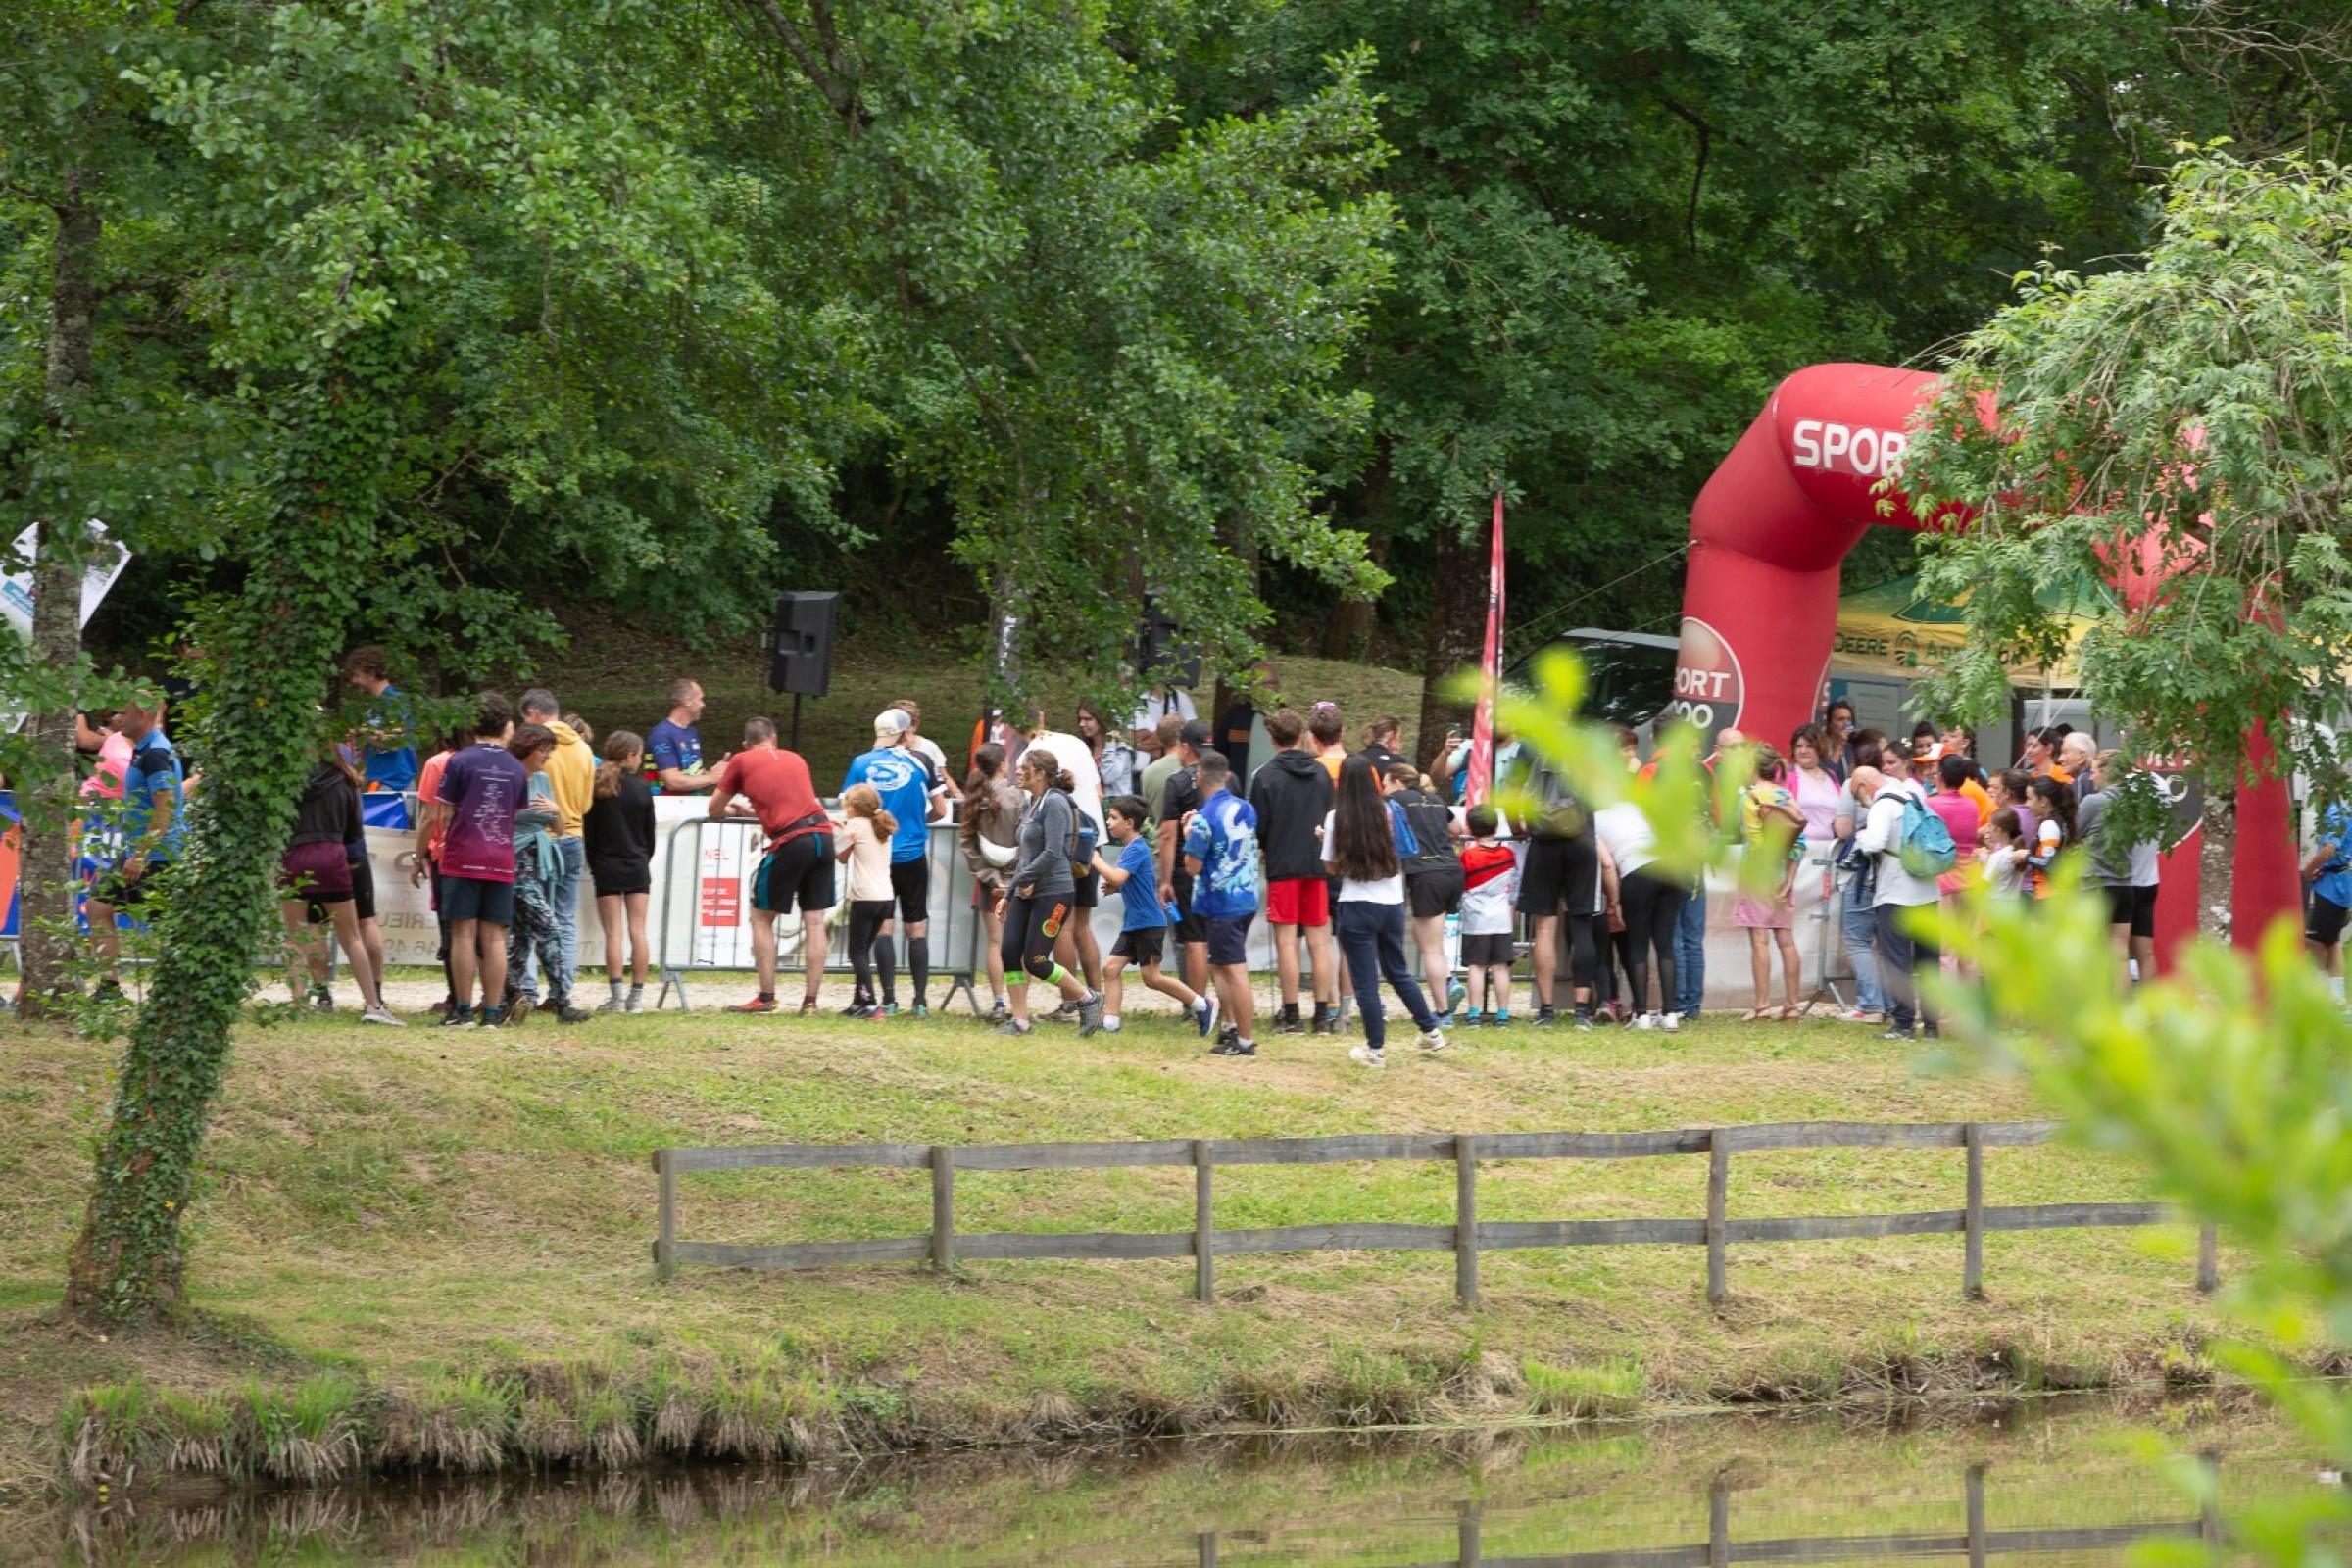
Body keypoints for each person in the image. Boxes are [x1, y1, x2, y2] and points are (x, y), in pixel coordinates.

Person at [1321, 755, 1446, 1068]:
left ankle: (1375, 1050)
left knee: (1366, 983)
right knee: (1398, 972)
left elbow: (1332, 866)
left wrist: (1326, 839)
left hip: (1356, 904)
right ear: (1374, 779)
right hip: (1392, 903)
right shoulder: (1392, 810)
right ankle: (1431, 1030)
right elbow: (1404, 851)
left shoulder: (1337, 818)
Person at [710, 716, 836, 1013]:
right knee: (815, 921)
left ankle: (766, 996)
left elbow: (714, 808)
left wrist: (736, 809)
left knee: (761, 917)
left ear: (745, 744)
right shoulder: (796, 758)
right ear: (774, 738)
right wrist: (756, 809)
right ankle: (811, 1002)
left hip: (791, 841)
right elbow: (788, 799)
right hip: (823, 834)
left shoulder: (741, 760)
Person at [277, 748, 402, 1025]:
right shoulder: (345, 778)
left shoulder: (288, 777)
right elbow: (353, 830)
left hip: (293, 854)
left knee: (297, 936)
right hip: (332, 854)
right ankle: (373, 1004)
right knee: (352, 936)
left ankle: (299, 1005)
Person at [842, 709, 948, 1016]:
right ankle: (921, 1002)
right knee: (916, 928)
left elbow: (849, 807)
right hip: (913, 853)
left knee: (883, 929)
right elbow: (940, 810)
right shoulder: (923, 761)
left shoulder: (861, 762)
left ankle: (888, 1000)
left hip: (877, 858)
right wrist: (916, 822)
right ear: (905, 732)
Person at [995, 749, 1106, 1037]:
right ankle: (1020, 1022)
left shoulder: (1055, 803)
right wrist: (1012, 892)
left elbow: (1053, 852)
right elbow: (1028, 853)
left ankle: (1086, 998)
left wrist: (1021, 879)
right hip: (1026, 889)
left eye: (1024, 768)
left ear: (1041, 774)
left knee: (1036, 960)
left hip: (1055, 891)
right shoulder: (1031, 802)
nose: (1018, 772)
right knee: (1009, 952)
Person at [83, 692, 184, 997]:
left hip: (156, 855)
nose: (117, 719)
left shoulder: (154, 753)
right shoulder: (146, 750)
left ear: (142, 715)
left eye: (124, 713)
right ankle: (111, 986)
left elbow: (164, 807)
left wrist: (140, 856)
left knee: (166, 925)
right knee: (99, 906)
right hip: (148, 851)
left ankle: (174, 990)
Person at [434, 693, 526, 1029]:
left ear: (473, 724)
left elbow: (444, 812)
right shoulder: (516, 767)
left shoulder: (458, 761)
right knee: (496, 937)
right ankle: (491, 1013)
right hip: (501, 857)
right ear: (505, 725)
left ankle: (461, 1011)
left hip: (463, 854)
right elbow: (516, 815)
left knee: (462, 934)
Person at [1094, 794, 1215, 1035]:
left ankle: (1203, 1005)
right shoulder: (1132, 848)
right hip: (1135, 923)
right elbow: (1131, 880)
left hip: (1148, 923)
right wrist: (1116, 887)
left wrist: (1094, 858)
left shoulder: (1136, 848)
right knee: (1111, 968)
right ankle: (1111, 1022)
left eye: (1114, 818)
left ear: (1129, 823)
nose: (1109, 822)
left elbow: (1118, 875)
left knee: (1152, 977)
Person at [1248, 708, 1337, 1035]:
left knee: (1287, 943)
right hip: (1317, 863)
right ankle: (1323, 1016)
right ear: (1301, 736)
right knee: (1319, 942)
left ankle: (1291, 1015)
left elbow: (1261, 825)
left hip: (1283, 864)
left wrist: (1268, 847)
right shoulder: (1322, 773)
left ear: (1272, 739)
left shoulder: (1265, 776)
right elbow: (1329, 815)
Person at [1852, 753, 1942, 1041]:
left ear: (1866, 785)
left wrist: (1860, 838)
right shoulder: (1914, 797)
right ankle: (1931, 1026)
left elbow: (1876, 842)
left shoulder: (1882, 805)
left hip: (1897, 893)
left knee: (1897, 961)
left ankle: (1903, 1024)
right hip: (1928, 890)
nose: (1860, 801)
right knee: (1929, 963)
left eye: (1858, 795)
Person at [502, 723, 587, 1024]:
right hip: (512, 863)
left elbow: (559, 827)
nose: (547, 756)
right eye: (543, 750)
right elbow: (500, 818)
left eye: (550, 750)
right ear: (527, 748)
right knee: (548, 926)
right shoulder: (508, 778)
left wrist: (555, 810)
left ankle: (507, 999)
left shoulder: (542, 779)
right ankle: (560, 1000)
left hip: (537, 864)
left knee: (522, 939)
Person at [1593, 758, 1685, 1032]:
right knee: (1665, 943)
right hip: (1669, 869)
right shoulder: (1638, 807)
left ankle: (1641, 1014)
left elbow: (1608, 865)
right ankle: (1669, 1013)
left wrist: (1616, 902)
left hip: (1636, 873)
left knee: (1638, 945)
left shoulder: (1596, 819)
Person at [515, 689, 592, 1012]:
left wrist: (552, 812)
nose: (546, 754)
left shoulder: (538, 758)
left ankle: (535, 991)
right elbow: (586, 803)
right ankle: (551, 991)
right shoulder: (585, 750)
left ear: (533, 714)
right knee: (560, 919)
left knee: (535, 922)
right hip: (566, 840)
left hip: (543, 845)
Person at [1517, 741, 1599, 1029]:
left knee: (1544, 927)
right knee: (1581, 922)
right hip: (1581, 841)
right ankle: (1580, 1012)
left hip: (1545, 844)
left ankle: (1547, 1011)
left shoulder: (1529, 749)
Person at [1186, 752, 1262, 1057]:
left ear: (1199, 778)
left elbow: (1192, 866)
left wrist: (1187, 833)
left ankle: (1244, 1040)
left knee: (1234, 968)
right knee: (1219, 964)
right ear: (1227, 776)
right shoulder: (1246, 808)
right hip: (1245, 896)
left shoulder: (1204, 818)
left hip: (1221, 902)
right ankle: (1230, 1027)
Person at [1388, 760, 1465, 1020]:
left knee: (1431, 948)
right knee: (1424, 933)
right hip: (1452, 870)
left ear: (1398, 783)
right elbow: (1457, 829)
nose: (1384, 790)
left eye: (1386, 784)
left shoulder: (1397, 799)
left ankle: (1443, 1011)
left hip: (1426, 874)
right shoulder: (1434, 799)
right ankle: (1448, 979)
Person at [585, 729, 656, 1013]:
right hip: (636, 864)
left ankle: (615, 996)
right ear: (629, 756)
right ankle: (636, 998)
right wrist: (642, 857)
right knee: (638, 931)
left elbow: (590, 834)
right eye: (639, 755)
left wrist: (596, 863)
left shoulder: (598, 786)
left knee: (613, 933)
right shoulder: (641, 790)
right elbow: (649, 835)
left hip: (606, 866)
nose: (640, 761)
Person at [1735, 745, 1805, 1021]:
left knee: (1760, 941)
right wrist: (1787, 881)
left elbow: (1755, 842)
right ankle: (1792, 1005)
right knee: (1786, 941)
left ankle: (1762, 1006)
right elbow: (1800, 843)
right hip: (1782, 876)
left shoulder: (1750, 798)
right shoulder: (1786, 796)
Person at [2076, 750, 2157, 980]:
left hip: (2095, 883)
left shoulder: (2094, 801)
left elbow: (2075, 833)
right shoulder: (2135, 804)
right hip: (2124, 883)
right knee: (2119, 954)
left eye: (2093, 772)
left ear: (2105, 772)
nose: (2091, 778)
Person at [959, 743, 1025, 1023]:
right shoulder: (1019, 797)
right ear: (1002, 765)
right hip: (1019, 880)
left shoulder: (974, 799)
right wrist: (1016, 877)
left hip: (990, 881)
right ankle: (1018, 1002)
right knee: (1017, 944)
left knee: (995, 943)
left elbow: (968, 844)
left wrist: (991, 878)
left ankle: (998, 1001)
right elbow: (1028, 841)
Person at [1154, 720, 1215, 999]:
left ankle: (1198, 1004)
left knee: (1194, 942)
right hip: (1221, 869)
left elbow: (1168, 835)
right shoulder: (1228, 778)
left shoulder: (1178, 782)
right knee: (1220, 942)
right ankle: (1226, 1005)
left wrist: (1165, 880)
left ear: (1185, 747)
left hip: (1186, 869)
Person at [1830, 739, 1886, 1025]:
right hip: (1889, 878)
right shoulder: (1896, 787)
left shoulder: (1852, 784)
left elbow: (1842, 828)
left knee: (1857, 940)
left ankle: (1871, 1004)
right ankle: (1887, 1003)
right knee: (1885, 944)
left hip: (1862, 873)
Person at [410, 731, 463, 1018]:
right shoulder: (478, 760)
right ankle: (503, 992)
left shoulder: (437, 763)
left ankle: (457, 997)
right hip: (480, 851)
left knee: (450, 930)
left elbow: (430, 817)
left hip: (446, 854)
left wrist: (418, 858)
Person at [838, 782, 900, 1019]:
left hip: (865, 896)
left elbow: (841, 856)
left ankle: (871, 1002)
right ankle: (858, 1001)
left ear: (853, 807)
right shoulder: (881, 825)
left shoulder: (855, 825)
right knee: (863, 949)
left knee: (856, 951)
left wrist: (838, 829)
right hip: (885, 896)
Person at [1456, 804, 1518, 1026]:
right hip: (1502, 920)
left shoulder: (1468, 856)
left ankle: (1473, 1013)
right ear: (1496, 826)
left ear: (1470, 829)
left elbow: (1461, 884)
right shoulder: (1508, 854)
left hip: (1476, 921)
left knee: (1476, 966)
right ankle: (1503, 1014)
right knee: (1501, 967)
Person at [343, 646, 419, 810]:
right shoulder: (376, 706)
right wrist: (364, 770)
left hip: (396, 787)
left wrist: (361, 728)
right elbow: (379, 748)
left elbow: (394, 742)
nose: (354, 681)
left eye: (357, 675)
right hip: (380, 783)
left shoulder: (395, 703)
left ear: (371, 674)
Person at [2306, 794, 2352, 1004]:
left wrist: (2307, 871)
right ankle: (2337, 997)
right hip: (2341, 886)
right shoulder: (2344, 809)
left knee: (2314, 941)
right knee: (2332, 942)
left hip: (2332, 888)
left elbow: (2329, 849)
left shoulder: (2335, 810)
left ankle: (2320, 994)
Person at [1930, 753, 1984, 928]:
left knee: (1946, 947)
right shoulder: (1971, 804)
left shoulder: (1930, 804)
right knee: (1968, 945)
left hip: (1944, 880)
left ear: (1940, 776)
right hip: (1970, 878)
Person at [647, 678, 723, 794]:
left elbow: (690, 774)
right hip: (670, 809)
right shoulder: (661, 735)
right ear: (687, 701)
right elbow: (672, 781)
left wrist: (712, 773)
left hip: (692, 806)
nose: (703, 704)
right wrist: (712, 778)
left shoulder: (691, 732)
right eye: (700, 699)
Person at [890, 699, 963, 805]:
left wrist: (958, 795)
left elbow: (944, 777)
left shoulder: (928, 748)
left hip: (925, 803)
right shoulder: (884, 748)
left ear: (915, 724)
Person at [2022, 776, 2077, 897]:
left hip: (2048, 895)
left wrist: (2026, 857)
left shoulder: (2049, 826)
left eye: (2030, 798)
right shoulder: (2060, 822)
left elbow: (2049, 863)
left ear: (2043, 800)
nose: (2027, 804)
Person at [1137, 714, 1186, 844]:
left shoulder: (1148, 773)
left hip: (1160, 845)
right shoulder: (1195, 767)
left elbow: (1150, 815)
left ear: (1159, 738)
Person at [1076, 701, 1138, 799]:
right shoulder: (1085, 749)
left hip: (1115, 808)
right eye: (1080, 719)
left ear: (1101, 721)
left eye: (1087, 719)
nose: (1082, 724)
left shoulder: (1121, 749)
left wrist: (1110, 741)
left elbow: (1109, 776)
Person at [1980, 808, 2030, 900]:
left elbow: (1985, 884)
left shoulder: (1999, 856)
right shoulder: (2019, 852)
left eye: (1990, 826)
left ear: (1998, 830)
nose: (1988, 830)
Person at [2060, 731, 2099, 804]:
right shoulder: (2099, 778)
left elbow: (2078, 814)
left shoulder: (2081, 781)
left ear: (2082, 757)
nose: (2060, 759)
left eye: (2065, 752)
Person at [1822, 700, 1858, 774]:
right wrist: (1839, 745)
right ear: (1829, 723)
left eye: (1849, 719)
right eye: (1840, 719)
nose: (1846, 724)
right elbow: (1828, 774)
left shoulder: (1853, 749)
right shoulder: (1821, 747)